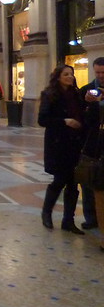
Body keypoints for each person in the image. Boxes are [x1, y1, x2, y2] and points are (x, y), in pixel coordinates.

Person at [38, 64, 85, 233]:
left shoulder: (77, 95)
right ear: (58, 77)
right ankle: (46, 213)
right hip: (58, 144)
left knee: (73, 184)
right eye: (66, 74)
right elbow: (42, 120)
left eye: (71, 74)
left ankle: (68, 221)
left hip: (75, 144)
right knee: (59, 180)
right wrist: (65, 121)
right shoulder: (50, 95)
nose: (70, 77)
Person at [79, 56, 104, 230]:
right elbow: (83, 119)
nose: (101, 76)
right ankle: (91, 217)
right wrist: (88, 105)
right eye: (98, 72)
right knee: (88, 180)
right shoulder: (86, 90)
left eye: (103, 72)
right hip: (92, 142)